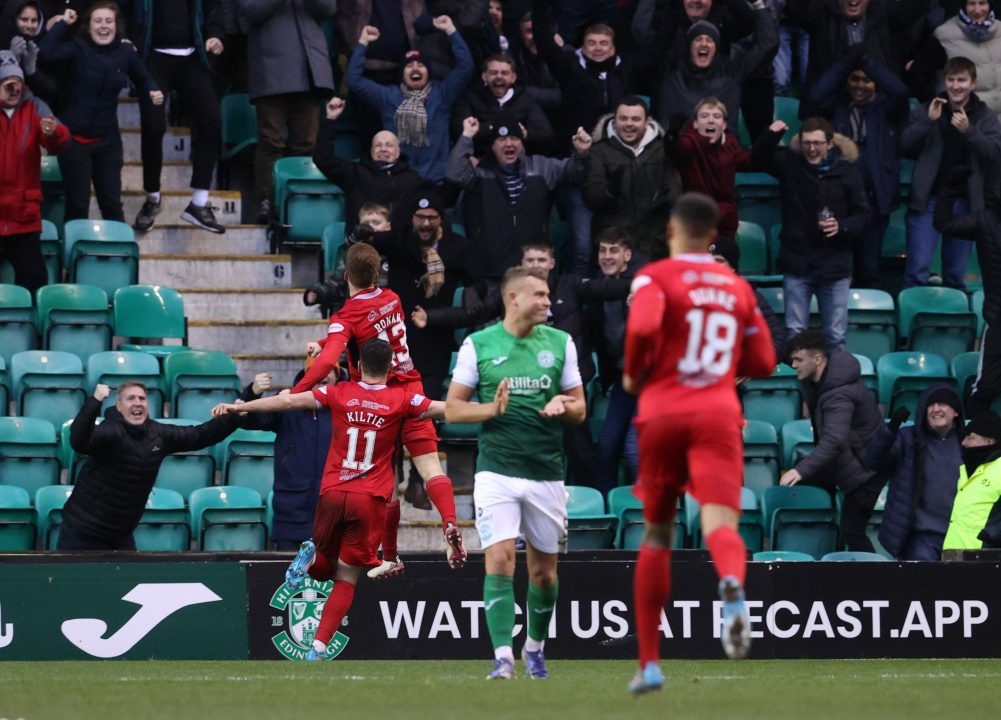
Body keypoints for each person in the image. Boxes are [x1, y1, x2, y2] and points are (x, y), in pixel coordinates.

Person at [622, 192, 777, 694]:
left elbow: (643, 325)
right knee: (721, 524)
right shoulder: (737, 287)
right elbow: (766, 362)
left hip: (663, 412)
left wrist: (632, 373)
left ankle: (649, 665)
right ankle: (731, 583)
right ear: (714, 236)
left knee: (658, 536)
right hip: (716, 413)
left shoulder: (654, 277)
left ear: (672, 230)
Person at [211, 339, 450, 660]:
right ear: (392, 368)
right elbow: (446, 408)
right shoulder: (402, 398)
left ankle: (317, 632)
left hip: (332, 493)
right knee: (347, 576)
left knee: (325, 570)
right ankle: (319, 645)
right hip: (367, 499)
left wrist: (241, 404)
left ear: (358, 367)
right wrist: (495, 409)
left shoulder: (339, 394)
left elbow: (286, 403)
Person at [291, 243, 467, 576]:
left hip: (377, 398)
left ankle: (390, 554)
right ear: (377, 272)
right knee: (431, 469)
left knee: (383, 484)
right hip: (411, 390)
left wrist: (298, 388)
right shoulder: (393, 298)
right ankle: (449, 524)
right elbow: (372, 327)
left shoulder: (345, 315)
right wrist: (325, 339)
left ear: (345, 276)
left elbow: (331, 358)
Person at [445, 265, 586, 680]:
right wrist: (491, 409)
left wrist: (565, 405)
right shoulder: (479, 344)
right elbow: (453, 408)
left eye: (548, 295)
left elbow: (581, 408)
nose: (547, 301)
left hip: (545, 471)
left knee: (544, 573)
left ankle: (535, 648)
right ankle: (503, 657)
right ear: (513, 299)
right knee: (501, 560)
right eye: (539, 295)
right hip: (496, 471)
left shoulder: (561, 343)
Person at [58, 381, 243, 550]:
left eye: (142, 398)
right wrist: (95, 400)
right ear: (118, 406)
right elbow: (78, 441)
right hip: (81, 531)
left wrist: (233, 417)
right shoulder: (109, 431)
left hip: (120, 536)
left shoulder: (158, 434)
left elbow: (201, 435)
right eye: (130, 398)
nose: (137, 402)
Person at [38, 2, 163, 222]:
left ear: (117, 26)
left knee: (112, 205)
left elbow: (144, 77)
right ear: (88, 26)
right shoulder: (77, 47)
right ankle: (74, 254)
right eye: (98, 21)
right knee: (78, 205)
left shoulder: (125, 51)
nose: (103, 26)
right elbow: (46, 53)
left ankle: (117, 254)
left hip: (107, 140)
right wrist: (64, 24)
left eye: (108, 21)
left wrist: (153, 90)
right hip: (73, 139)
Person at [757, 116, 869, 350]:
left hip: (835, 264)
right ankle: (799, 386)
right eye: (807, 142)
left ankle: (834, 386)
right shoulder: (790, 164)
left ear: (830, 144)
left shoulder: (848, 173)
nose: (811, 148)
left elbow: (863, 215)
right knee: (795, 333)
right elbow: (757, 159)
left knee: (835, 336)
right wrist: (772, 135)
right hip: (797, 262)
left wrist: (842, 226)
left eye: (817, 143)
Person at [446, 116, 592, 283]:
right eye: (501, 139)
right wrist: (466, 136)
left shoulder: (541, 167)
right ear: (492, 146)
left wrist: (581, 154)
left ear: (522, 143)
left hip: (533, 269)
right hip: (491, 271)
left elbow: (573, 173)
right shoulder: (480, 173)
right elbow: (454, 174)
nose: (509, 144)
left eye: (514, 138)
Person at [805, 54, 909, 287]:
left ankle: (864, 319)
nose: (860, 85)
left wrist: (869, 64)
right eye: (855, 79)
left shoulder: (887, 107)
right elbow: (816, 95)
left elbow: (901, 91)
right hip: (840, 200)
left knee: (869, 267)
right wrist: (844, 65)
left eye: (867, 80)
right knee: (838, 266)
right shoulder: (837, 105)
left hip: (875, 198)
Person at [124, 0, 227, 234]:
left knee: (211, 122)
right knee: (152, 125)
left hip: (192, 57)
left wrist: (216, 35)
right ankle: (152, 198)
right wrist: (125, 36)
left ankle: (199, 204)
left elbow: (215, 10)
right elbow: (122, 7)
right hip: (153, 58)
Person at [901, 55, 1001, 290]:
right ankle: (915, 325)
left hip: (966, 204)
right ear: (944, 81)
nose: (956, 86)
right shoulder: (928, 108)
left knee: (955, 276)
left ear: (973, 83)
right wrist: (927, 122)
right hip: (928, 201)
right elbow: (905, 146)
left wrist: (970, 132)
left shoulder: (985, 116)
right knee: (917, 269)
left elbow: (994, 153)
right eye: (951, 80)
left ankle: (951, 327)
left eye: (962, 80)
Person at [782, 330, 887, 552]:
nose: (793, 365)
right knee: (803, 481)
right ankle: (830, 545)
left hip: (868, 470)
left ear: (817, 359)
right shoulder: (818, 377)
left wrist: (802, 470)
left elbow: (835, 439)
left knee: (853, 532)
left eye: (798, 360)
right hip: (846, 460)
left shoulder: (839, 394)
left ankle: (875, 579)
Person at [238, 0, 336, 224]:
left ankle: (298, 201)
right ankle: (266, 200)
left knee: (305, 144)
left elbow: (329, 9)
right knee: (272, 141)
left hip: (310, 68)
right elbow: (251, 11)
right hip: (270, 69)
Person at [346, 18, 473, 184]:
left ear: (429, 73)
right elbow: (354, 80)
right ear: (401, 74)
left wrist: (451, 30)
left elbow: (466, 67)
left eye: (421, 65)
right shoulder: (388, 97)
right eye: (409, 66)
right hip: (399, 180)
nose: (415, 68)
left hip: (437, 180)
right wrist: (363, 42)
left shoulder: (442, 94)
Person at [238, 367, 337, 550]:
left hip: (334, 516)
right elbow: (247, 420)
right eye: (318, 368)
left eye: (330, 369)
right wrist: (252, 392)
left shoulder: (348, 405)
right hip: (290, 514)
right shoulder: (286, 402)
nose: (324, 374)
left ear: (338, 375)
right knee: (288, 576)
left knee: (331, 578)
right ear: (307, 374)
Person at [864, 384, 964, 561]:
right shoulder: (907, 437)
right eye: (930, 405)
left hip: (959, 535)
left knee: (957, 588)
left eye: (942, 404)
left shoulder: (967, 442)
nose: (936, 409)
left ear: (956, 411)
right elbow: (874, 461)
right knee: (922, 587)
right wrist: (890, 430)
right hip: (919, 537)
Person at [0, 49, 69, 297]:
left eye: (17, 83)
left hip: (23, 214)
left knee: (34, 278)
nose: (14, 89)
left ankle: (28, 333)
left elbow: (60, 141)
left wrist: (54, 133)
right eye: (8, 83)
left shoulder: (36, 107)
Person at [933, 172, 1001, 416]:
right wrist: (948, 192)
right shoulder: (985, 220)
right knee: (985, 388)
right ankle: (970, 442)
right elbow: (944, 224)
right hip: (998, 321)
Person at [584, 96, 680, 262]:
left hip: (654, 243)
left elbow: (675, 188)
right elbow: (590, 197)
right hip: (614, 246)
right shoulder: (599, 150)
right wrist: (609, 191)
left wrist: (667, 198)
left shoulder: (663, 149)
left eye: (635, 119)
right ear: (614, 121)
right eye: (623, 118)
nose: (629, 124)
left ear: (646, 122)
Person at [312, 96, 427, 230]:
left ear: (397, 152)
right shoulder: (355, 174)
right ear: (371, 150)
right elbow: (323, 159)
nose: (383, 149)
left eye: (389, 145)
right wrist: (330, 120)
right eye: (378, 145)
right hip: (363, 245)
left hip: (400, 246)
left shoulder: (413, 179)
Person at [450, 52, 554, 154]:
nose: (499, 76)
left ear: (513, 78)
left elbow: (546, 133)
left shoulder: (526, 99)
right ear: (484, 77)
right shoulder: (470, 98)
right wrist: (494, 128)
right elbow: (458, 130)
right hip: (481, 162)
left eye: (504, 73)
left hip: (518, 162)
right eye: (493, 72)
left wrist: (526, 134)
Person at [943, 410, 1001, 550]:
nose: (964, 442)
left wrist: (990, 536)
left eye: (971, 437)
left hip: (986, 560)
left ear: (989, 440)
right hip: (953, 556)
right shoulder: (965, 469)